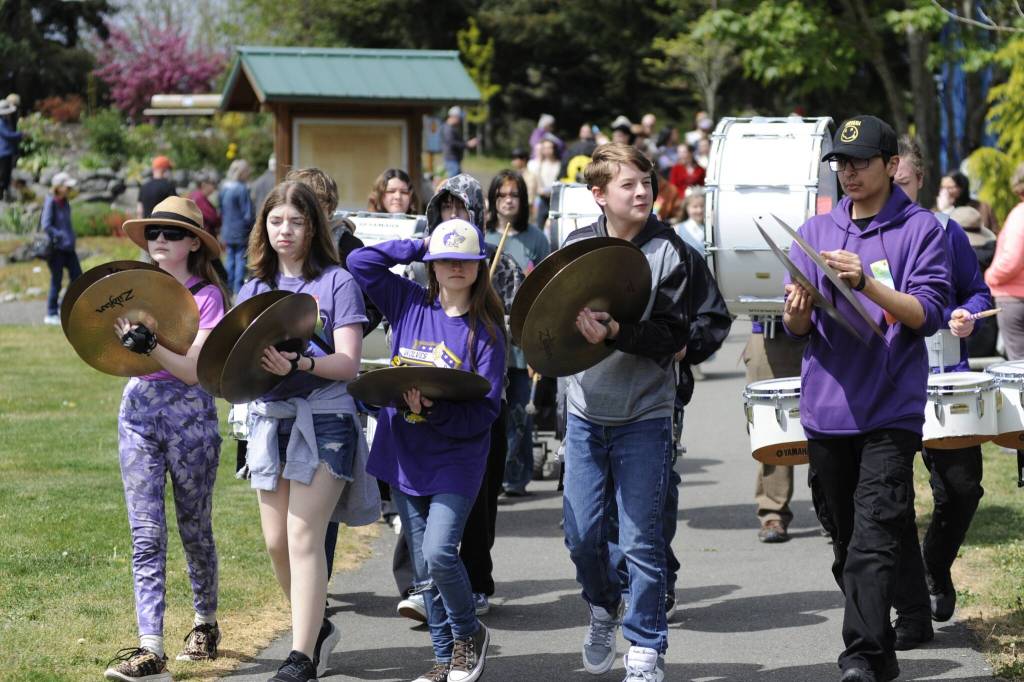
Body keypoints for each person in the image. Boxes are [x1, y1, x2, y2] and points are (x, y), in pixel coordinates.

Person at [784, 115, 951, 682]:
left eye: (859, 161)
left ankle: (863, 655)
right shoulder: (815, 229)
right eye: (840, 163)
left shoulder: (921, 229)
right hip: (827, 410)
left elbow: (926, 315)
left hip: (889, 410)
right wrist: (797, 319)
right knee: (849, 538)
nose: (849, 172)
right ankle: (892, 634)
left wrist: (869, 284)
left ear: (890, 166)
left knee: (875, 533)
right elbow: (800, 331)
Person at [348, 217, 505, 682]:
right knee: (423, 568)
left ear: (479, 268)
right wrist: (420, 245)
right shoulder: (409, 302)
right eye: (445, 259)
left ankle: (468, 634)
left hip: (457, 459)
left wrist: (436, 411)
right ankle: (442, 659)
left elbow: (486, 412)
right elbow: (360, 261)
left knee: (439, 553)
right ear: (433, 265)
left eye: (465, 260)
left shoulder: (488, 333)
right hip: (404, 453)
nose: (455, 266)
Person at [236, 181, 378, 682]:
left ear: (313, 227)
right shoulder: (253, 289)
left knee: (302, 535)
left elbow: (348, 364)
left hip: (327, 419)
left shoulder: (337, 282)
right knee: (276, 543)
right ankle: (316, 631)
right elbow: (236, 366)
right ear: (263, 228)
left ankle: (299, 659)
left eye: (296, 221)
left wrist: (301, 362)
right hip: (270, 422)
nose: (285, 231)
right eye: (276, 221)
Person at [561, 143, 691, 682]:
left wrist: (617, 331)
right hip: (585, 413)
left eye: (646, 182)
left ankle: (645, 646)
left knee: (642, 539)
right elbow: (548, 326)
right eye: (628, 185)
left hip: (646, 413)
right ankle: (601, 606)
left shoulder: (669, 251)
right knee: (583, 535)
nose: (642, 192)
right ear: (598, 194)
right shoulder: (574, 246)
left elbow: (676, 332)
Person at [103, 197, 228, 682]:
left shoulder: (208, 297)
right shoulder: (133, 290)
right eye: (154, 232)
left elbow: (196, 371)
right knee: (145, 533)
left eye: (172, 233)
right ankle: (149, 647)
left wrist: (151, 344)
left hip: (189, 417)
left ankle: (204, 622)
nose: (160, 240)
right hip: (137, 413)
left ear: (194, 242)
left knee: (194, 528)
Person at [890, 136, 992, 650]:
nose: (896, 193)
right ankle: (909, 606)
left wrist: (967, 313)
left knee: (961, 486)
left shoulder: (947, 230)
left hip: (946, 377)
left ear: (920, 180)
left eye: (903, 183)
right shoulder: (860, 231)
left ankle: (934, 566)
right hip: (886, 380)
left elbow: (978, 291)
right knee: (891, 497)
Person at [485, 170, 550, 500]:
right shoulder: (481, 237)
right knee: (492, 409)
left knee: (521, 412)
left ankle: (518, 475)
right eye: (502, 195)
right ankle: (491, 476)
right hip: (488, 336)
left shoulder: (537, 239)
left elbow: (545, 287)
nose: (508, 200)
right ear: (493, 200)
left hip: (522, 336)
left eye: (514, 195)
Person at [985, 162, 1024, 361]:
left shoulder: (1019, 216)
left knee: (1019, 367)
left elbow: (1012, 259)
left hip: (1014, 298)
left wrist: (990, 276)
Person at [41, 172, 82, 326]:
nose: (69, 189)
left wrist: (71, 237)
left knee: (78, 277)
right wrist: (61, 236)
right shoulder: (50, 201)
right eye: (67, 186)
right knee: (56, 281)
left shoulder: (65, 202)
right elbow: (46, 225)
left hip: (68, 248)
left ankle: (62, 306)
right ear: (58, 187)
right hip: (57, 249)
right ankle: (51, 313)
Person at [220, 159, 255, 293]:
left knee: (230, 259)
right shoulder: (242, 189)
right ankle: (238, 288)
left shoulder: (225, 187)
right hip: (240, 230)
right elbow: (248, 214)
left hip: (227, 229)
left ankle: (228, 287)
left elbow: (221, 209)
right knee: (241, 259)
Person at [528, 136, 561, 230]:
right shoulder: (539, 165)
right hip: (542, 200)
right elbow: (536, 183)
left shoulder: (559, 164)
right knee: (540, 226)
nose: (547, 150)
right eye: (545, 148)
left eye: (549, 147)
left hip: (555, 199)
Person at [441, 106, 477, 178]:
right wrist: (467, 144)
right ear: (454, 117)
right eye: (459, 118)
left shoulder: (449, 128)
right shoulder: (448, 129)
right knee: (453, 185)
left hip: (453, 160)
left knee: (458, 183)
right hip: (452, 160)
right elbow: (452, 143)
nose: (460, 120)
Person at [0, 97, 22, 201]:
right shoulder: (1, 123)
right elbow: (8, 135)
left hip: (8, 152)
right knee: (3, 174)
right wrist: (20, 135)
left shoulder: (7, 121)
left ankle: (6, 194)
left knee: (7, 173)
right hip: (3, 152)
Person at [674, 187, 706, 254]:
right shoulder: (677, 229)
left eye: (702, 206)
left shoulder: (710, 228)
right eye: (695, 206)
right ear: (687, 207)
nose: (699, 210)